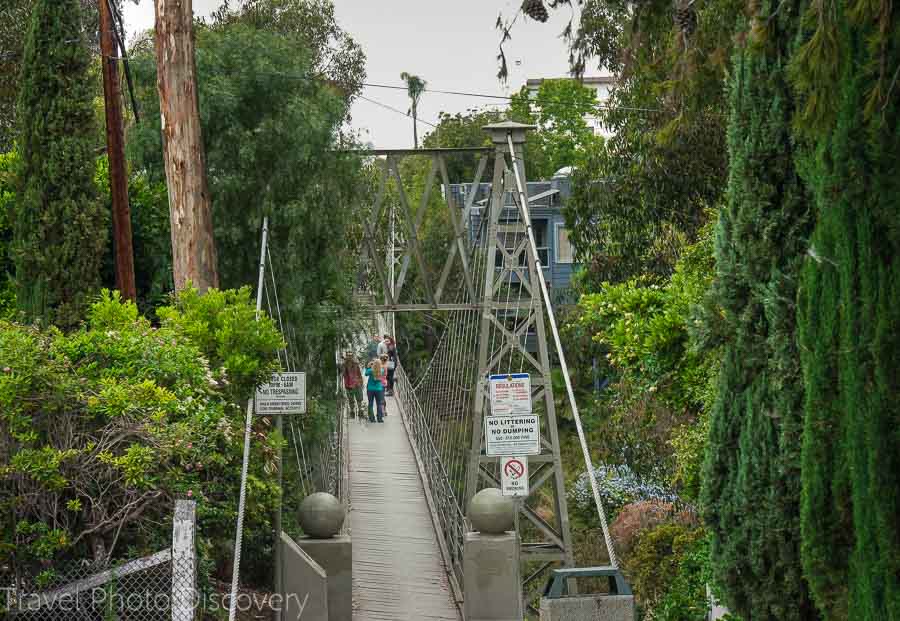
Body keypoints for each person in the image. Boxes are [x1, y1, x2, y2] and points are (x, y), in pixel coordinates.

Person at [364, 358, 385, 423]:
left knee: (370, 404)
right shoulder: (381, 370)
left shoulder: (370, 370)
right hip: (379, 389)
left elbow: (365, 373)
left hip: (370, 389)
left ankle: (372, 418)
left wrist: (368, 366)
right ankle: (379, 418)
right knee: (379, 404)